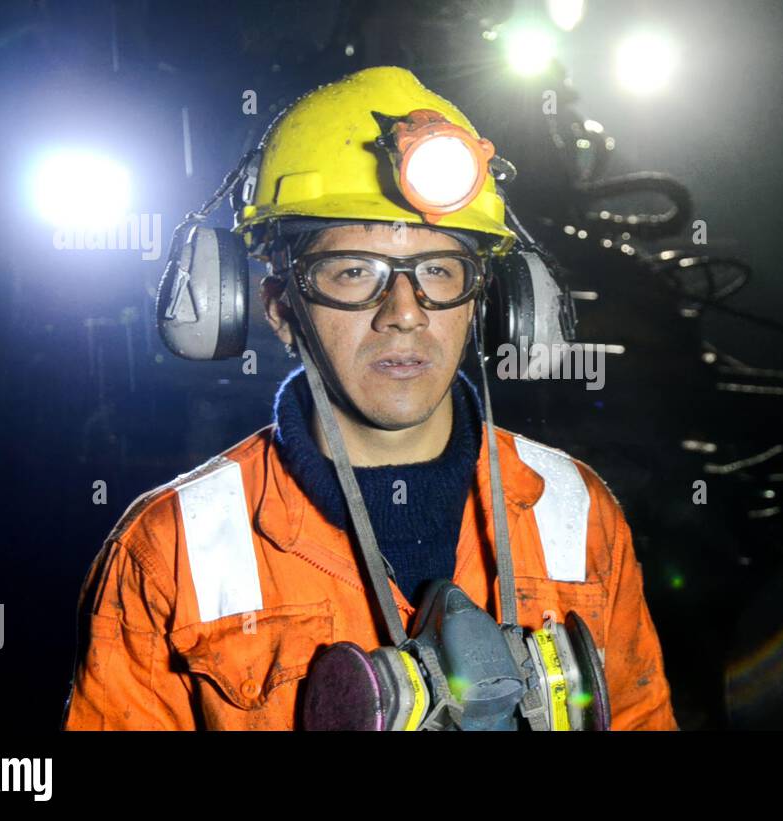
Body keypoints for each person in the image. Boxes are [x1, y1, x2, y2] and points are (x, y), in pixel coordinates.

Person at [62, 66, 677, 730]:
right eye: (355, 271)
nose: (405, 312)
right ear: (278, 311)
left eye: (439, 270)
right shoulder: (170, 551)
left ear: (491, 306)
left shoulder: (578, 512)